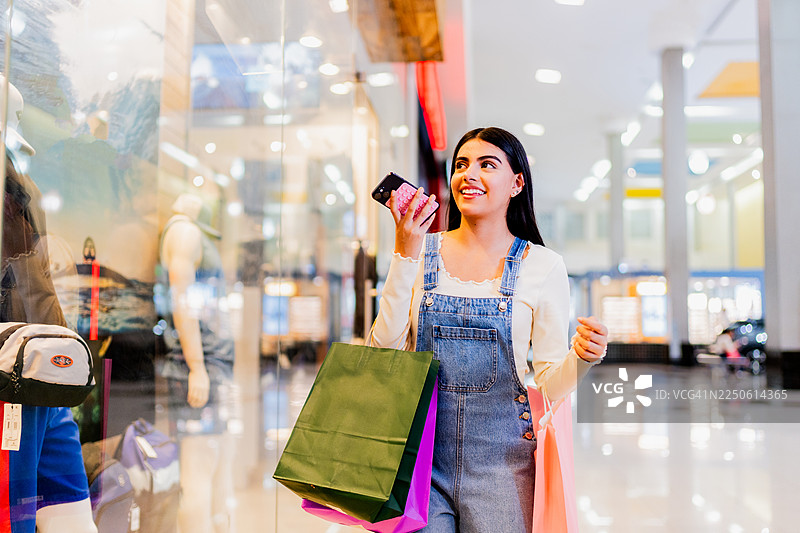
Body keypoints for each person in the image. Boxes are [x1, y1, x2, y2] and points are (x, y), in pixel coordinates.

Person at [368, 127, 608, 532]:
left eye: (487, 164)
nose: (469, 175)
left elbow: (548, 384)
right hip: (417, 463)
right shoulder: (418, 249)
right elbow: (382, 350)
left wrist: (584, 358)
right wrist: (404, 253)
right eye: (461, 165)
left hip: (506, 467)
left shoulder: (543, 266)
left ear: (517, 183)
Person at [0, 77, 97, 533]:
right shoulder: (19, 192)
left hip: (37, 372)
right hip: (17, 378)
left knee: (64, 511)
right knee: (22, 515)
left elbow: (37, 285)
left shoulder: (21, 191)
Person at [159, 193, 237, 533]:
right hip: (200, 362)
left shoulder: (191, 233)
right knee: (198, 468)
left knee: (215, 461)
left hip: (211, 361)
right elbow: (182, 299)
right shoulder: (185, 234)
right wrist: (197, 367)